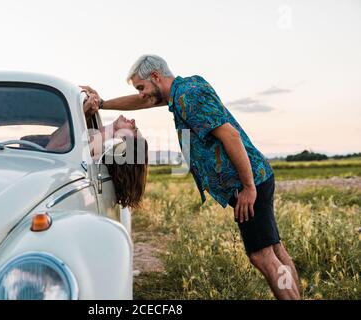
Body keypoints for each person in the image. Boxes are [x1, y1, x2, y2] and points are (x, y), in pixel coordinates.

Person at [81, 55, 301, 300]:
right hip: (258, 174)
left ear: (155, 76)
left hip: (248, 183)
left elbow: (230, 136)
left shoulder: (188, 97)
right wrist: (102, 104)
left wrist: (248, 188)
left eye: (141, 87)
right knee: (275, 249)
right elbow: (142, 102)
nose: (141, 94)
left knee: (262, 255)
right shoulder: (183, 91)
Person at [46, 92, 148, 208]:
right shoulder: (96, 139)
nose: (133, 121)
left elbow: (51, 148)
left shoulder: (98, 148)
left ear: (122, 143)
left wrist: (81, 113)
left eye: (133, 129)